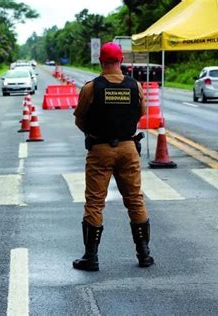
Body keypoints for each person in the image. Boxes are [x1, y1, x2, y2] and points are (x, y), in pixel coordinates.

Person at [72, 42, 154, 271]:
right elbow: (141, 112)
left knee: (95, 202)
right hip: (128, 148)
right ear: (121, 61)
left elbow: (79, 119)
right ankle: (144, 254)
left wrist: (94, 132)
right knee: (135, 199)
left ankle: (91, 257)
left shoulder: (92, 87)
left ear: (101, 61)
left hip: (99, 150)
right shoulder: (134, 85)